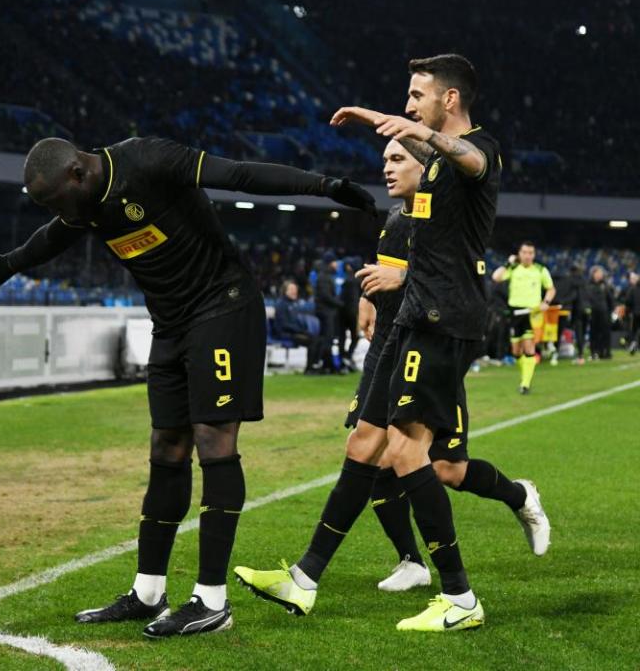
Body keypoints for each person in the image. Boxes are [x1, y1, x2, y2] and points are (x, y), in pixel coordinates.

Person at [0, 135, 375, 638]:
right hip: (171, 324)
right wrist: (8, 263)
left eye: (54, 200)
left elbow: (239, 174)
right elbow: (55, 235)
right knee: (167, 445)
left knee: (213, 439)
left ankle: (212, 601)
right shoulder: (82, 204)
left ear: (76, 172)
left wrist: (325, 185)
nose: (56, 212)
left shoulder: (146, 160)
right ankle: (148, 591)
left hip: (223, 304)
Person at [236, 54, 547, 632]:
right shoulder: (432, 165)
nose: (409, 106)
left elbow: (472, 160)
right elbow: (424, 164)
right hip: (411, 317)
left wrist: (420, 131)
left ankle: (459, 597)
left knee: (411, 455)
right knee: (364, 444)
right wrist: (380, 120)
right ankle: (303, 580)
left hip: (443, 319)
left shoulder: (481, 148)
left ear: (448, 100)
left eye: (416, 96)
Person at [346, 140, 549, 594]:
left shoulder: (442, 221)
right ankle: (411, 562)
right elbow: (389, 274)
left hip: (433, 352)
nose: (387, 168)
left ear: (428, 170)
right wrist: (367, 294)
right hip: (390, 352)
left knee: (446, 470)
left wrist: (400, 280)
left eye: (398, 159)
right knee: (376, 454)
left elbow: (453, 279)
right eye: (384, 159)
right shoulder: (396, 221)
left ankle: (520, 496)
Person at [491, 242, 556, 394]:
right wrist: (508, 262)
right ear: (519, 254)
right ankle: (524, 377)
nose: (527, 256)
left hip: (532, 313)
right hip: (514, 312)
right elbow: (496, 277)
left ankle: (525, 384)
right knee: (516, 351)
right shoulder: (513, 268)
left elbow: (551, 289)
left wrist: (545, 302)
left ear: (534, 255)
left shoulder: (540, 270)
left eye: (530, 253)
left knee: (529, 346)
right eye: (525, 252)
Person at [274, 280, 324, 373]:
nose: (294, 291)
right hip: (286, 333)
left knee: (320, 339)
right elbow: (284, 324)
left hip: (295, 332)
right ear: (285, 291)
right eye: (292, 289)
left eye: (295, 289)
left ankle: (315, 365)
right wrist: (301, 331)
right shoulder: (281, 304)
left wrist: (302, 330)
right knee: (313, 341)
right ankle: (309, 368)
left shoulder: (295, 303)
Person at [585, 265, 614, 359]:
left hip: (604, 313)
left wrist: (611, 309)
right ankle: (594, 352)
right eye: (599, 273)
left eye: (601, 273)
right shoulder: (588, 285)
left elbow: (610, 299)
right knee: (594, 333)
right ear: (593, 274)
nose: (601, 275)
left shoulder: (605, 285)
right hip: (593, 313)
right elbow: (586, 300)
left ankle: (606, 352)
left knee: (605, 333)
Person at [625, 272, 640, 355]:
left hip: (635, 313)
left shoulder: (632, 289)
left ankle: (633, 343)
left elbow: (627, 301)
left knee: (634, 330)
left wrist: (629, 309)